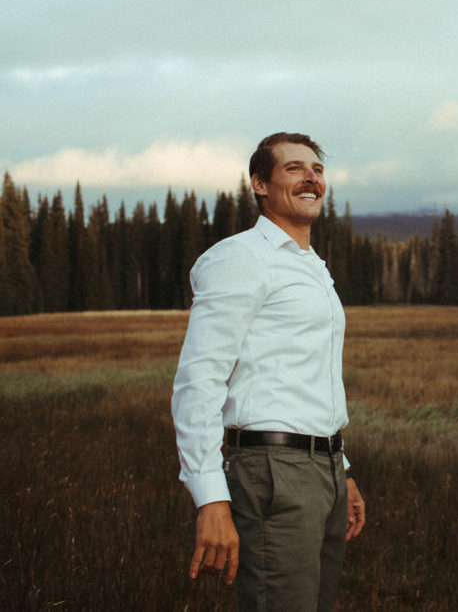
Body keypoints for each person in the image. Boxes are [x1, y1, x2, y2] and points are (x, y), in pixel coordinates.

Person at [171, 132, 366, 612]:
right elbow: (199, 381)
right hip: (273, 474)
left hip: (324, 473)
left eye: (317, 170)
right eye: (295, 169)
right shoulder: (240, 258)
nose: (311, 179)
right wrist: (210, 497)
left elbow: (306, 378)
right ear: (259, 184)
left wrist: (341, 469)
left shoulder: (311, 265)